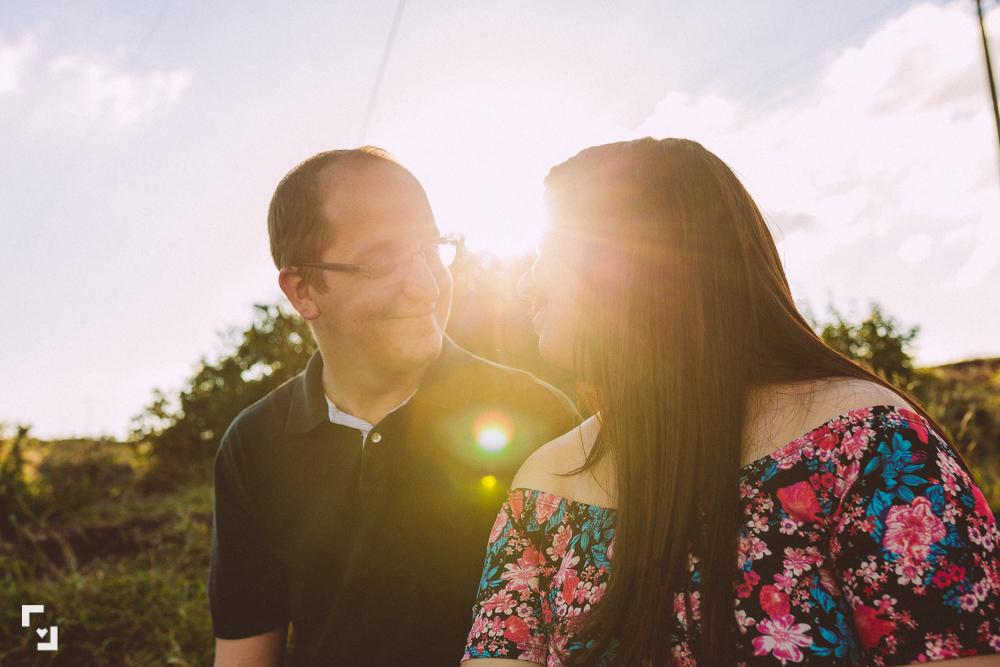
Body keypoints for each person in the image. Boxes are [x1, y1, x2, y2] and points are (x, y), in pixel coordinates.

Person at [462, 138, 1000, 666]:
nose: (526, 284)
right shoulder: (540, 488)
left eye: (549, 253)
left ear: (639, 264)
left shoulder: (868, 444)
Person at [209, 147, 578, 667]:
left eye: (432, 249)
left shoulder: (541, 418)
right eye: (381, 263)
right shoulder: (253, 445)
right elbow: (246, 651)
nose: (427, 287)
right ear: (302, 289)